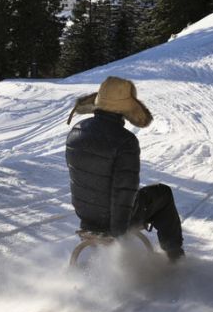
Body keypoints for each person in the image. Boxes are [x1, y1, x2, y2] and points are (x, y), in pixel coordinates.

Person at [65, 76, 185, 262]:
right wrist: (119, 232)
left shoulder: (76, 131)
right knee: (163, 193)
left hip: (87, 216)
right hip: (114, 221)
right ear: (125, 110)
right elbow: (124, 191)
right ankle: (176, 258)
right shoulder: (125, 141)